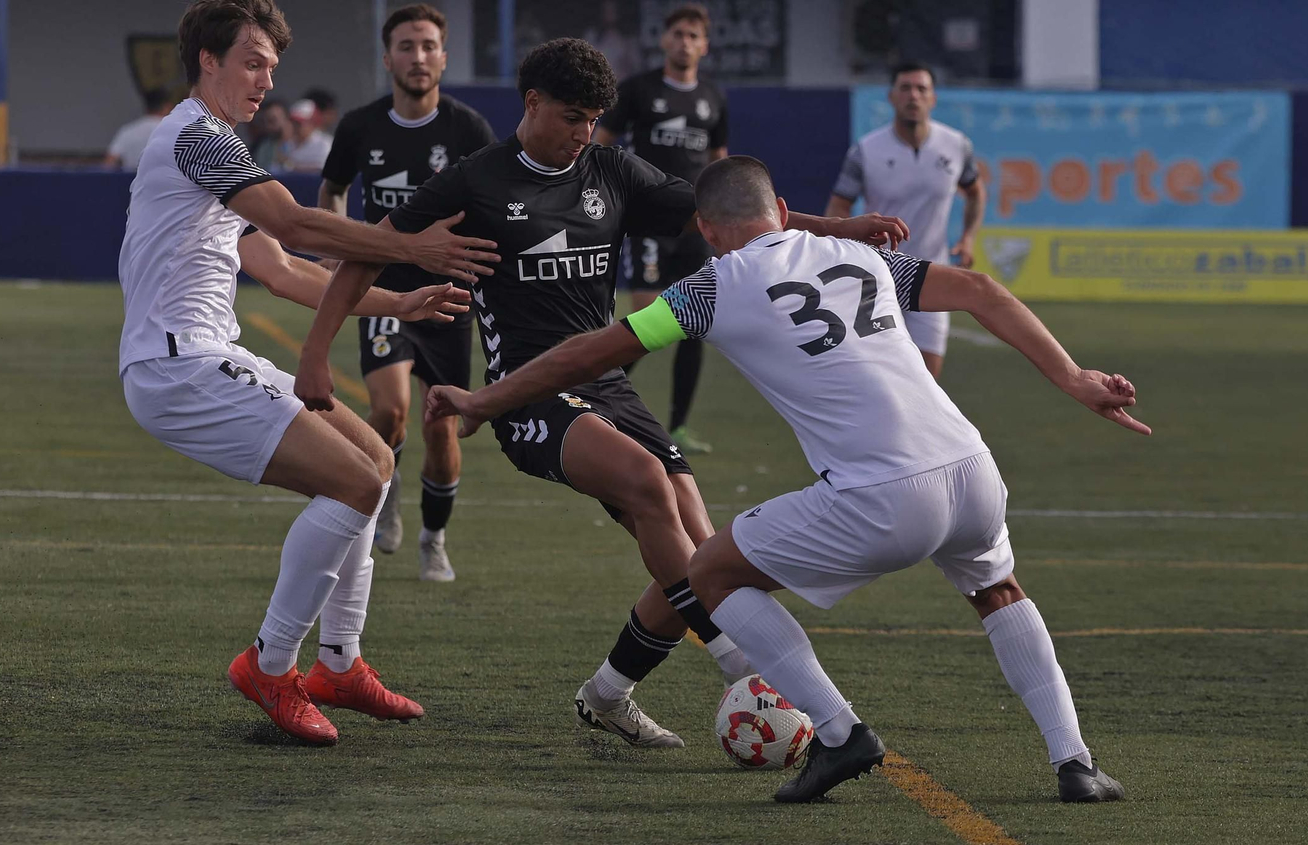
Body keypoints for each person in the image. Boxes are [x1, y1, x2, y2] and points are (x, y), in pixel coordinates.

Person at [426, 155, 1142, 804]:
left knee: (708, 572)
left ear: (707, 228)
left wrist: (483, 400)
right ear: (778, 210)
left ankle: (838, 732)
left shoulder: (712, 286)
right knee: (997, 590)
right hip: (971, 470)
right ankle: (1074, 761)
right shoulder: (856, 255)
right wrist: (1075, 378)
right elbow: (983, 289)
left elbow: (588, 354)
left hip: (881, 495)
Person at [296, 38, 906, 749]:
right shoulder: (476, 182)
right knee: (650, 487)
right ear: (533, 104)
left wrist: (838, 229)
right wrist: (315, 355)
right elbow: (368, 250)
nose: (584, 133)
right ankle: (747, 669)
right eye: (573, 117)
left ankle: (608, 693)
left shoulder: (610, 170)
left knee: (700, 545)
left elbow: (733, 215)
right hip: (529, 394)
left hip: (608, 385)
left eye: (593, 120)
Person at [117, 0, 500, 745]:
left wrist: (400, 300)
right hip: (175, 367)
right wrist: (411, 250)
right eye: (253, 63)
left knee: (375, 462)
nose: (267, 81)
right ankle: (271, 662)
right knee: (356, 483)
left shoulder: (216, 151)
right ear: (208, 60)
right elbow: (303, 224)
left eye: (271, 67)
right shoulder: (194, 136)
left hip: (202, 355)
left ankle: (339, 663)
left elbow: (288, 270)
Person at [317, 3, 498, 577]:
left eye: (427, 46)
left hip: (449, 294)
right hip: (382, 287)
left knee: (440, 424)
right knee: (389, 411)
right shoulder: (360, 126)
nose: (417, 57)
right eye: (405, 46)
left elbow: (493, 207)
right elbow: (333, 187)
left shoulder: (468, 130)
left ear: (443, 56)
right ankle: (384, 491)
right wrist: (335, 246)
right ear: (387, 56)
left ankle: (433, 539)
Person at [594, 4, 728, 453]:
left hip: (697, 227)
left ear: (704, 46)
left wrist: (725, 212)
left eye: (694, 35)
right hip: (649, 222)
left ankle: (680, 427)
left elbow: (719, 161)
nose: (685, 42)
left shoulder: (713, 97)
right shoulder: (638, 90)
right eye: (678, 34)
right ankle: (596, 400)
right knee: (647, 319)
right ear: (664, 40)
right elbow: (602, 143)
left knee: (695, 325)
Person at [826, 63, 986, 379]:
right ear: (891, 97)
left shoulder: (956, 146)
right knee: (879, 379)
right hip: (877, 277)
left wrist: (968, 237)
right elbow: (838, 206)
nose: (913, 95)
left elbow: (976, 192)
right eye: (905, 88)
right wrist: (847, 245)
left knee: (927, 383)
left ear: (933, 99)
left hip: (933, 274)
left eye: (921, 88)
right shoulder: (866, 151)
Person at [103, 88, 173, 169]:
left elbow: (109, 163)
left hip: (131, 180)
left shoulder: (127, 130)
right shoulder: (171, 130)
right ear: (167, 106)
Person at [283, 98, 331, 172]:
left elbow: (321, 169)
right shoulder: (287, 142)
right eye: (294, 122)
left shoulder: (324, 143)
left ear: (312, 122)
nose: (295, 126)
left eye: (299, 123)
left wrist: (291, 166)